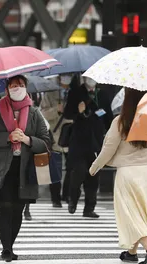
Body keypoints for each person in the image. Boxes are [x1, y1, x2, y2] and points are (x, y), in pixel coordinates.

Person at [0, 75, 51, 262]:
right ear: (6, 89)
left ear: (26, 88)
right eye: (13, 85)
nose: (16, 88)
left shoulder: (34, 113)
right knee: (4, 207)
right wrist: (8, 138)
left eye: (20, 85)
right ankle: (6, 248)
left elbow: (46, 142)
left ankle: (11, 244)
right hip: (1, 169)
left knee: (18, 209)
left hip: (24, 169)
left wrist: (27, 140)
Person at [89, 88, 147, 264]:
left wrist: (95, 166)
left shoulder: (120, 121)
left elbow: (108, 148)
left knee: (129, 211)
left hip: (129, 171)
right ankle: (131, 253)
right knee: (143, 211)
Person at [65, 75, 110, 218]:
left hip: (96, 140)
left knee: (93, 175)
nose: (92, 80)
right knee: (78, 172)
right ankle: (73, 199)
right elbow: (67, 113)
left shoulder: (102, 94)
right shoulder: (76, 92)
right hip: (78, 140)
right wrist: (78, 111)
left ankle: (89, 208)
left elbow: (108, 116)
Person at [40, 74, 74, 207]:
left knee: (72, 168)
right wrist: (56, 110)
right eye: (65, 76)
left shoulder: (75, 93)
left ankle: (67, 195)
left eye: (70, 76)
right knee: (55, 168)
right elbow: (43, 113)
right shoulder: (50, 94)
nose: (67, 78)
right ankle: (55, 198)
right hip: (55, 136)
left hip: (71, 135)